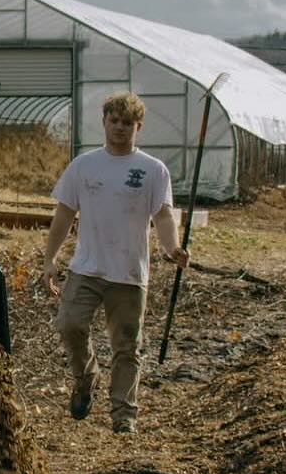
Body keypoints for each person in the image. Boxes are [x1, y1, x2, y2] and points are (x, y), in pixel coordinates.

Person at [41, 92, 189, 436]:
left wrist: (173, 247)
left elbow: (163, 215)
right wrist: (50, 259)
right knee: (69, 324)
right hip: (86, 268)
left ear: (138, 127)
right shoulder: (84, 165)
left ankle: (124, 414)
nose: (120, 128)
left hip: (129, 272)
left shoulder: (153, 170)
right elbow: (64, 214)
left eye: (128, 123)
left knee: (127, 344)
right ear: (104, 122)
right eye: (114, 121)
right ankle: (86, 376)